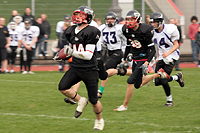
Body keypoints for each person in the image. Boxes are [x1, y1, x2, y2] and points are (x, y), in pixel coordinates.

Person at [54, 6, 104, 130]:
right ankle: (81, 100)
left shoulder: (92, 31)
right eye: (76, 15)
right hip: (76, 67)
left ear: (88, 17)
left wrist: (71, 52)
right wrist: (62, 55)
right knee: (63, 87)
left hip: (90, 69)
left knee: (94, 100)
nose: (77, 17)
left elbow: (88, 55)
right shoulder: (71, 30)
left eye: (80, 15)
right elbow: (73, 47)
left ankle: (99, 120)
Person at [112, 10, 170, 111]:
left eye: (132, 20)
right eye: (128, 20)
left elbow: (152, 49)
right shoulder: (126, 29)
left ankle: (124, 106)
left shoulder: (145, 30)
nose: (129, 22)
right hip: (135, 57)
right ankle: (158, 74)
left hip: (144, 57)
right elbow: (128, 45)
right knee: (137, 85)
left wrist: (147, 63)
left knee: (130, 81)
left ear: (138, 20)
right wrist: (124, 60)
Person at [148, 12, 185, 107]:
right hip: (161, 57)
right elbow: (157, 44)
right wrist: (157, 57)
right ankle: (177, 77)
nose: (154, 24)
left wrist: (167, 54)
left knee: (163, 79)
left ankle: (169, 101)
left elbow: (176, 44)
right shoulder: (154, 32)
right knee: (156, 82)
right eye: (153, 22)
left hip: (171, 56)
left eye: (155, 22)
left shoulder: (170, 29)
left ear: (160, 22)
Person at [97, 11, 127, 97]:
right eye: (108, 19)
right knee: (121, 71)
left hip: (118, 51)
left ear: (115, 20)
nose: (110, 21)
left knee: (105, 70)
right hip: (109, 52)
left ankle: (100, 91)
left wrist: (126, 52)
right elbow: (100, 40)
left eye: (112, 19)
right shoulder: (102, 28)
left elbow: (126, 40)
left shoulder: (119, 28)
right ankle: (140, 75)